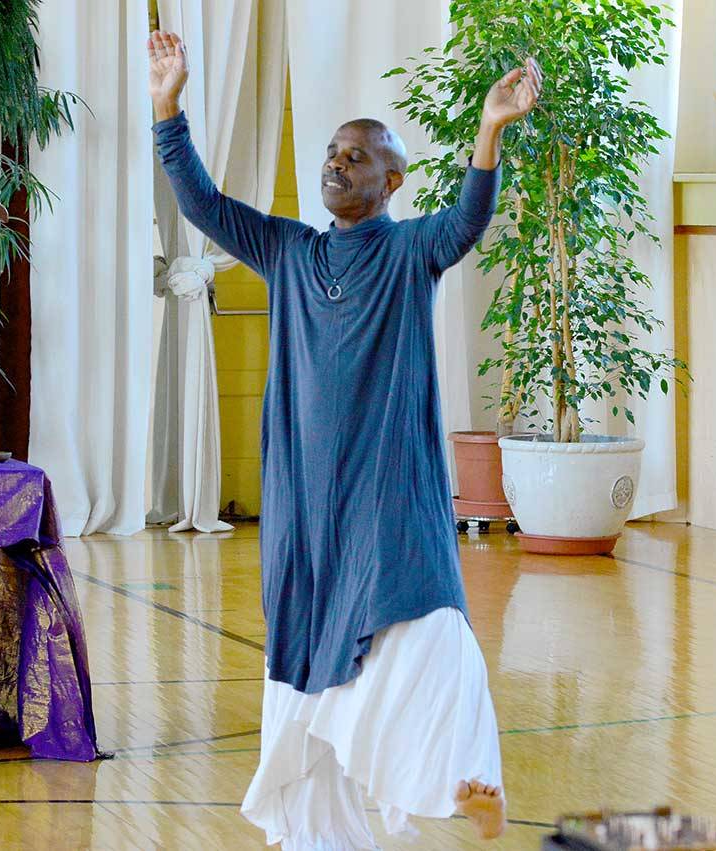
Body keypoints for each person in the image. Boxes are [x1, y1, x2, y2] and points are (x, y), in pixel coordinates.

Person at [147, 30, 542, 850]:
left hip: (389, 487)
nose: (336, 163)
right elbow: (204, 205)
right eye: (332, 152)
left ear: (391, 180)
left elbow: (468, 219)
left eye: (358, 156)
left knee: (428, 618)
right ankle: (326, 832)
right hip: (303, 500)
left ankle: (468, 778)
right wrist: (167, 106)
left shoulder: (407, 251)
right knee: (311, 652)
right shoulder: (290, 250)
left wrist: (489, 130)